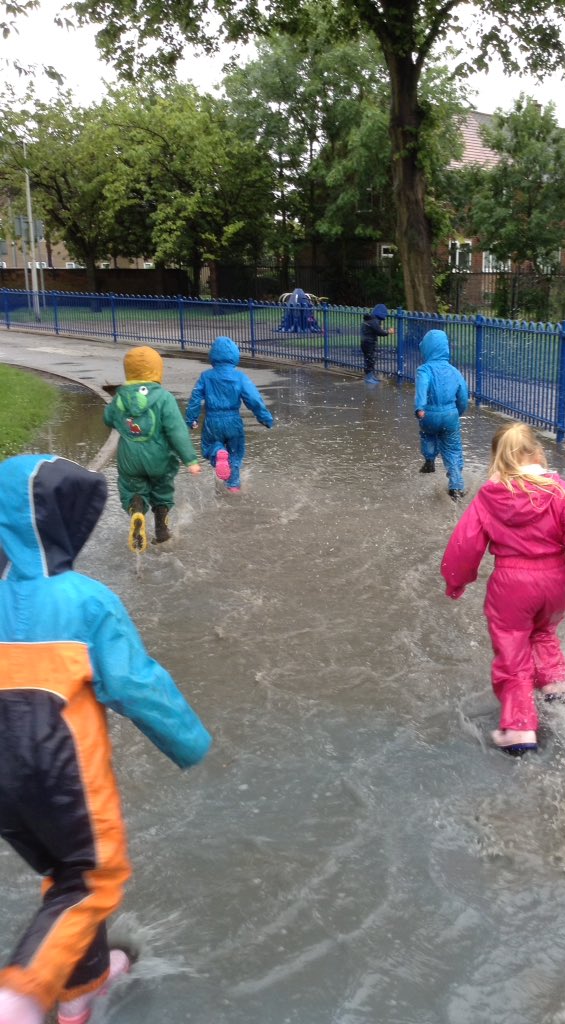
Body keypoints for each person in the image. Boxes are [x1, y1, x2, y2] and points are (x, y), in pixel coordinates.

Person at [0, 454, 212, 1024]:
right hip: (58, 764)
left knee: (63, 875)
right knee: (95, 878)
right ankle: (20, 995)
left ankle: (83, 988)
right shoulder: (87, 600)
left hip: (4, 782)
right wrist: (189, 740)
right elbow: (136, 685)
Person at [440, 422, 565, 755]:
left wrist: (456, 580)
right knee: (543, 632)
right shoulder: (559, 491)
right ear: (537, 452)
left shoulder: (491, 495)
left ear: (498, 458)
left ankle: (518, 728)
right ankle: (556, 686)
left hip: (512, 584)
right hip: (555, 580)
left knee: (513, 649)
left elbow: (466, 543)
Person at [103, 345, 200, 548]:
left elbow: (108, 419)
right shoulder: (164, 398)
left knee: (132, 489)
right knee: (162, 490)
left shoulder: (121, 397)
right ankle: (162, 530)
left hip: (130, 459)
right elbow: (177, 431)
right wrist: (190, 459)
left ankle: (136, 509)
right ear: (157, 369)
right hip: (159, 459)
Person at [185, 335, 274, 493]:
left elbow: (195, 398)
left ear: (212, 355)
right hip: (233, 420)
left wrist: (191, 419)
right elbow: (253, 398)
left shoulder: (206, 376)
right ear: (235, 355)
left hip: (212, 420)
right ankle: (233, 487)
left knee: (209, 447)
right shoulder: (239, 377)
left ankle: (218, 452)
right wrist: (264, 418)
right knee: (235, 453)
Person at [414, 328, 469, 500]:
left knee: (428, 435)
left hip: (428, 414)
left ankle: (429, 461)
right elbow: (463, 396)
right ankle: (456, 487)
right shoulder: (454, 371)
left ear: (427, 349)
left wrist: (420, 407)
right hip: (450, 415)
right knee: (453, 449)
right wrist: (457, 412)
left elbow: (422, 387)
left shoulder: (424, 370)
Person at [360, 303, 394, 384]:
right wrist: (388, 331)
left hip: (365, 342)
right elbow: (380, 332)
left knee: (369, 359)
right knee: (370, 360)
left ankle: (370, 376)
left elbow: (375, 330)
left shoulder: (370, 319)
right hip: (369, 343)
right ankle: (369, 378)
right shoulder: (374, 321)